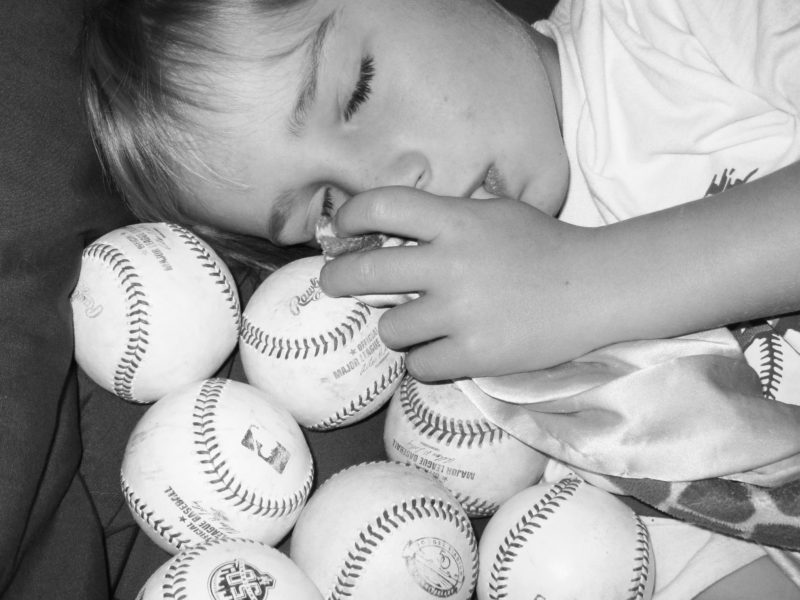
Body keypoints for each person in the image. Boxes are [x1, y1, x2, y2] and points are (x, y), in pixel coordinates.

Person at [80, 0, 800, 597]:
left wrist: (592, 281)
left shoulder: (677, 24)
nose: (394, 181)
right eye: (329, 204)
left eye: (357, 88)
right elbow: (722, 547)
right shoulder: (503, 363)